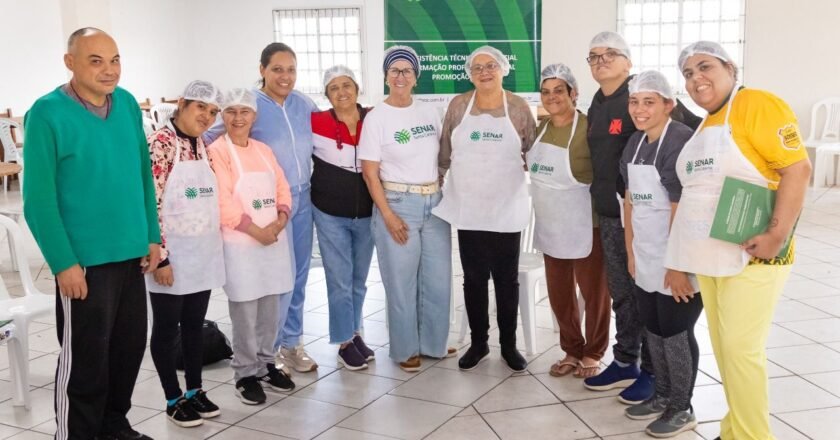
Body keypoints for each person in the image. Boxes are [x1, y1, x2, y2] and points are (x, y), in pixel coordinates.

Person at [665, 41, 811, 440]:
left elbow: (798, 169)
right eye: (689, 74)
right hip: (713, 257)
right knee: (728, 353)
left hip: (756, 255)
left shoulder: (758, 104)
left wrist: (776, 234)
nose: (697, 78)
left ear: (731, 68)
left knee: (742, 353)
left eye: (705, 67)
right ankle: (733, 430)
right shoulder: (705, 123)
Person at [23, 27, 160, 440]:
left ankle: (114, 425)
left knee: (127, 350)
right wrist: (64, 262)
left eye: (114, 59)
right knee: (85, 363)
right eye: (96, 60)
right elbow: (38, 200)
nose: (109, 70)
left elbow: (142, 173)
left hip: (130, 253)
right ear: (70, 62)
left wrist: (151, 235)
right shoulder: (47, 113)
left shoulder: (128, 105)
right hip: (84, 264)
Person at [582, 31, 701, 404]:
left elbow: (693, 139)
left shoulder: (663, 117)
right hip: (618, 217)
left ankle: (659, 379)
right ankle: (629, 363)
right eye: (594, 56)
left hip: (663, 228)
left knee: (659, 310)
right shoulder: (599, 105)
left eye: (610, 54)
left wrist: (677, 257)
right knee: (628, 298)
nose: (601, 61)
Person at [205, 42, 319, 374]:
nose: (285, 76)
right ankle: (263, 352)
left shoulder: (303, 104)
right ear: (262, 70)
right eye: (277, 69)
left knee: (295, 277)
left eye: (291, 69)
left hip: (299, 200)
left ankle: (291, 343)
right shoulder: (250, 106)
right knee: (265, 282)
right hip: (258, 210)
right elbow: (212, 136)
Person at [433, 45, 536, 372]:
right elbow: (444, 154)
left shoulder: (518, 108)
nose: (485, 72)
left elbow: (533, 154)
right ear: (469, 73)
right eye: (477, 67)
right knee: (474, 278)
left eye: (491, 65)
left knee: (507, 280)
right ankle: (479, 343)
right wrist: (436, 183)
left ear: (503, 69)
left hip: (506, 208)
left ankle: (509, 345)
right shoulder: (459, 106)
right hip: (469, 208)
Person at [359, 45, 453, 372]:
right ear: (386, 76)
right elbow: (370, 173)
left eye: (407, 71)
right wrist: (387, 215)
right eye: (395, 71)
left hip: (436, 203)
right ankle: (405, 349)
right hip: (398, 203)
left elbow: (442, 157)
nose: (401, 76)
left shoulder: (429, 112)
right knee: (401, 282)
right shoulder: (376, 118)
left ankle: (433, 342)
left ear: (416, 77)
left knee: (438, 280)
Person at [619, 71, 702, 437]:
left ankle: (682, 407)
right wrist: (631, 252)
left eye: (649, 102)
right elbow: (629, 203)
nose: (640, 109)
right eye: (635, 102)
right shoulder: (635, 143)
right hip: (646, 254)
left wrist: (677, 265)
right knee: (653, 326)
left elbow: (679, 207)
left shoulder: (679, 141)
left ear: (669, 104)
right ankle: (662, 394)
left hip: (678, 256)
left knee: (675, 330)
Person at [208, 88, 296, 405]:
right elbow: (222, 201)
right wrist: (255, 230)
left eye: (244, 112)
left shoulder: (263, 150)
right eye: (231, 111)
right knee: (245, 312)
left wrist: (282, 217)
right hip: (241, 244)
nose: (238, 118)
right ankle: (245, 373)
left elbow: (282, 187)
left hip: (272, 239)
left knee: (269, 309)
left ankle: (266, 364)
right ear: (223, 115)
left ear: (254, 116)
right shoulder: (218, 152)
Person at [146, 80, 225, 427]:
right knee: (166, 328)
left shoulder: (202, 145)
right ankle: (172, 397)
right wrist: (160, 257)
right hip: (171, 257)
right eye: (200, 108)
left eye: (212, 112)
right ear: (181, 104)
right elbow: (151, 202)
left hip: (201, 254)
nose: (206, 117)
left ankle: (195, 390)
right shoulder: (161, 143)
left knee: (194, 325)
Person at [527, 63, 610, 379]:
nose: (552, 97)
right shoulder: (541, 129)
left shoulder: (589, 128)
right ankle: (572, 349)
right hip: (550, 223)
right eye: (546, 92)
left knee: (595, 294)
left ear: (574, 93)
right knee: (560, 294)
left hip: (585, 223)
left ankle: (594, 351)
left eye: (559, 90)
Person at [311, 66, 376, 370]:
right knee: (339, 280)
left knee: (358, 280)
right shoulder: (316, 122)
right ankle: (344, 341)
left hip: (366, 213)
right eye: (334, 88)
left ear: (357, 89)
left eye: (347, 85)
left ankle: (354, 331)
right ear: (327, 95)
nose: (342, 92)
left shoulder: (374, 119)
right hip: (329, 212)